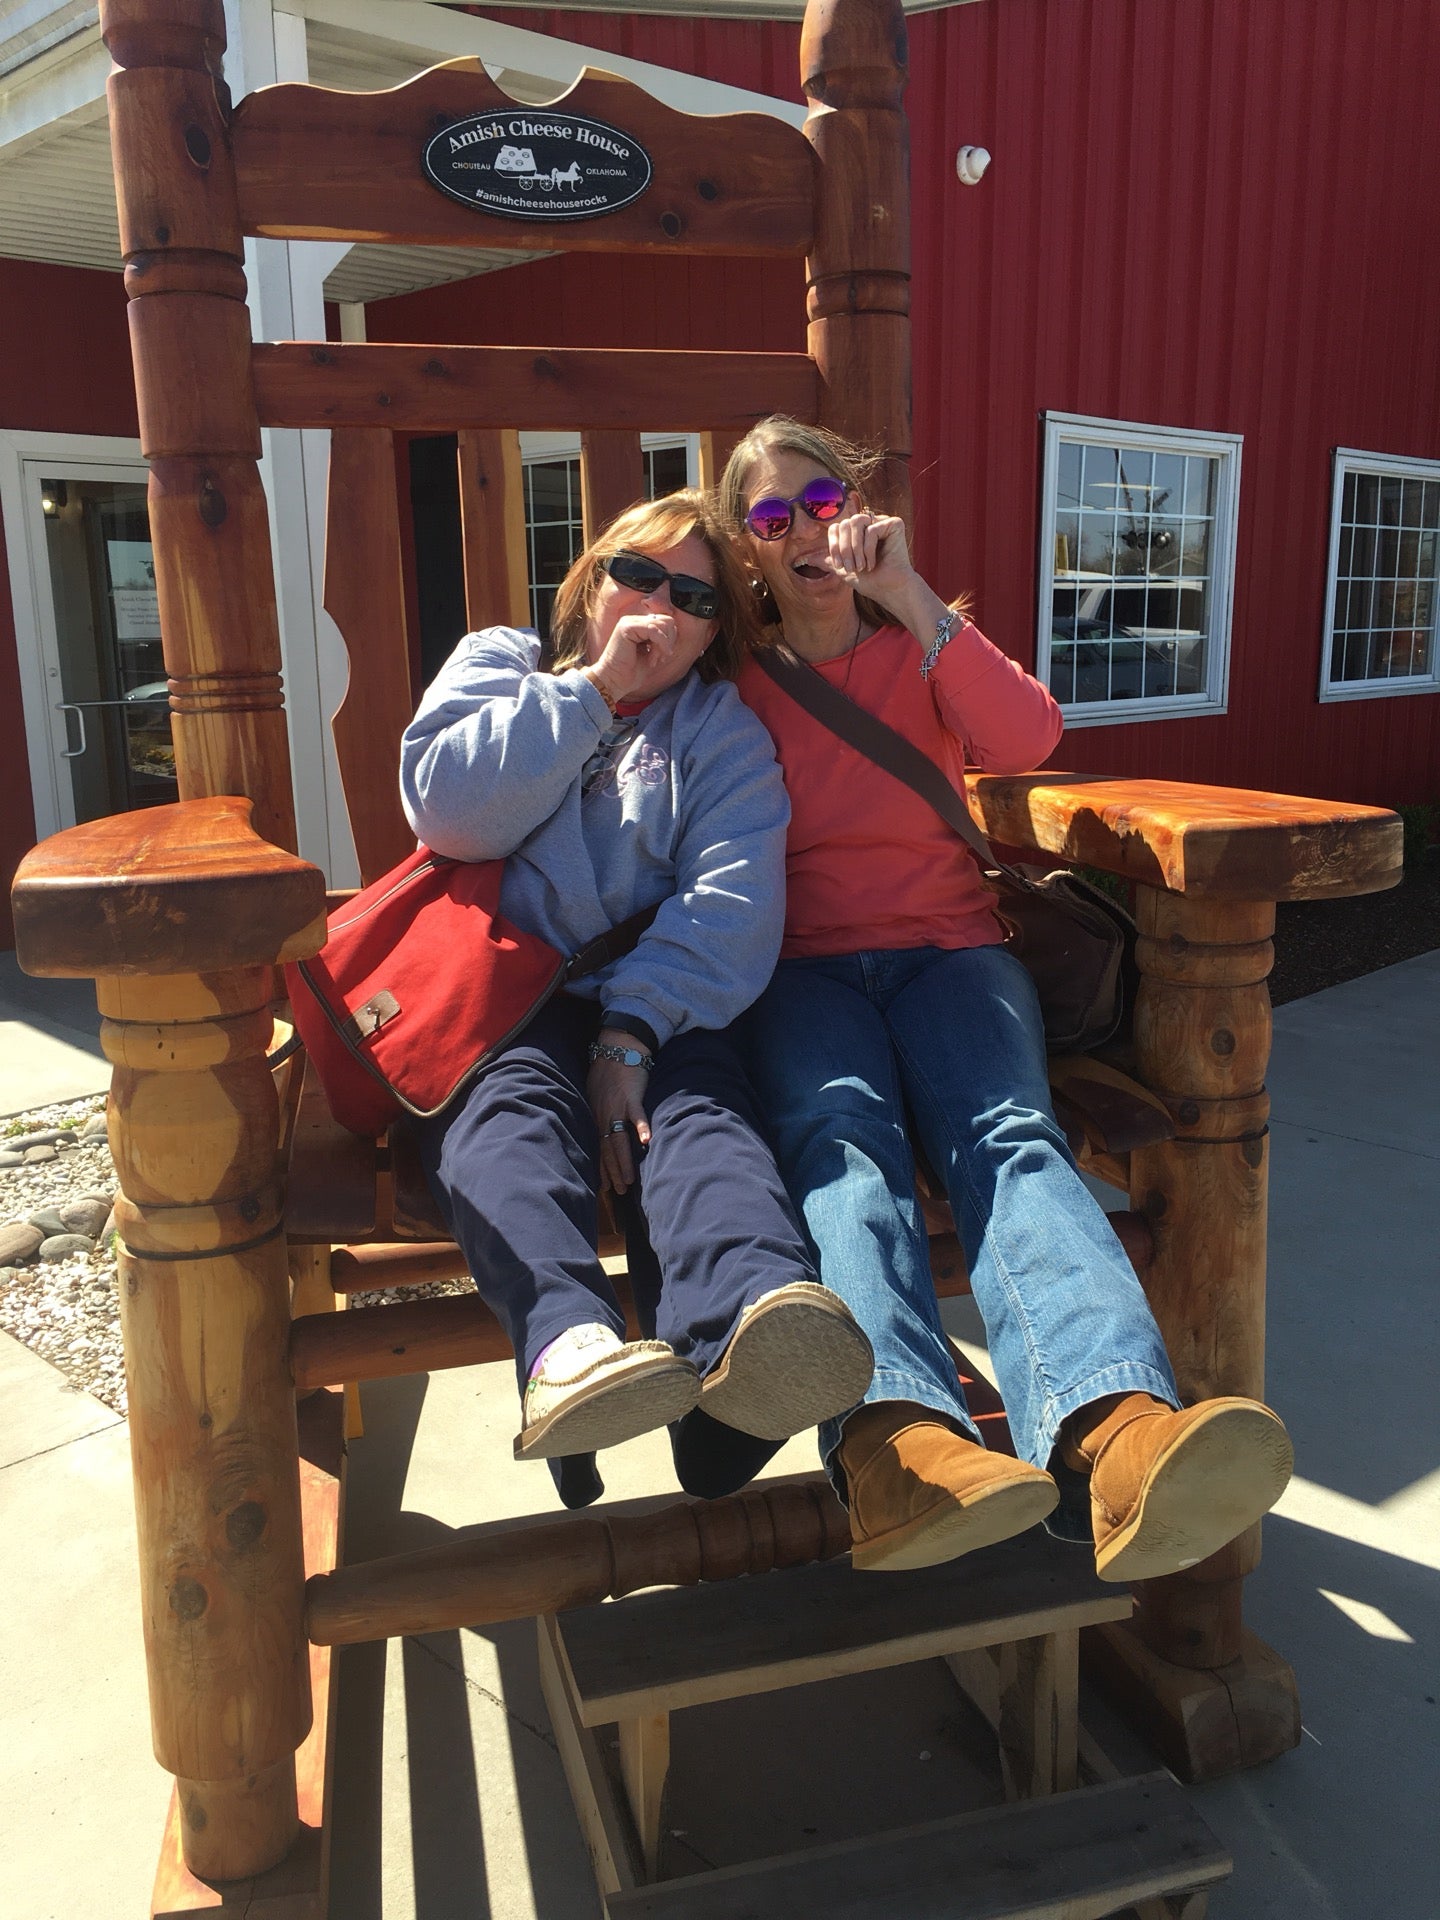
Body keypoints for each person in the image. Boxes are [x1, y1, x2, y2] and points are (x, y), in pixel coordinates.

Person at [719, 419, 1293, 1576]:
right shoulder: (733, 686)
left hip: (951, 952)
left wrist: (913, 596)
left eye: (820, 501)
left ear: (855, 504)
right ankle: (897, 1451)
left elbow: (1029, 736)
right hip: (803, 970)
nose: (805, 531)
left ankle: (1115, 1436)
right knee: (846, 1147)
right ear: (750, 552)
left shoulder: (923, 645)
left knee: (1013, 1138)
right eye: (773, 518)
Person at [399, 489, 872, 1510]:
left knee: (700, 1120)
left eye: (695, 596)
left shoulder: (718, 731)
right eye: (640, 574)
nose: (661, 604)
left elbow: (732, 902)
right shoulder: (501, 666)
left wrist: (632, 1032)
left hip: (657, 994)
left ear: (713, 633)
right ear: (593, 579)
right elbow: (448, 814)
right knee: (510, 1117)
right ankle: (571, 1351)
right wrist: (596, 689)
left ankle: (746, 1349)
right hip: (508, 993)